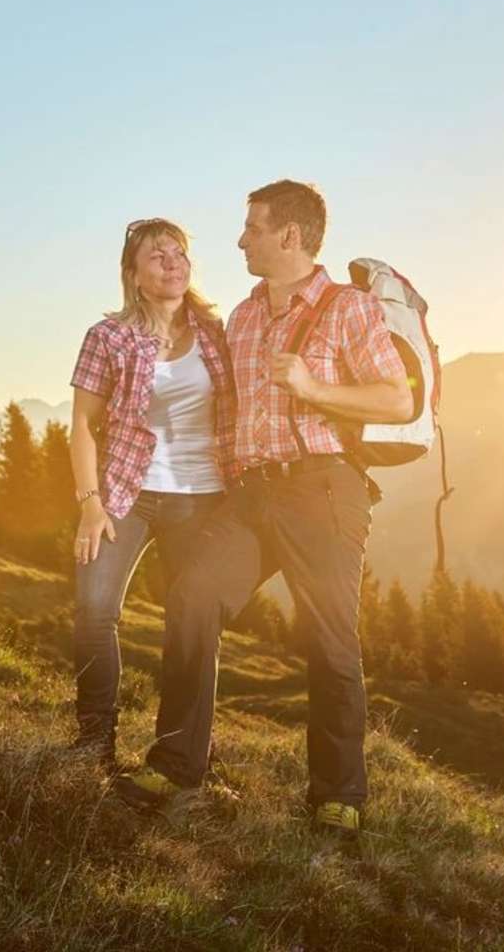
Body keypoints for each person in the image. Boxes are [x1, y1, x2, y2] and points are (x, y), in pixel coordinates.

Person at [115, 180, 412, 837]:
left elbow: (397, 402)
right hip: (250, 494)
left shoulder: (348, 309)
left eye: (252, 227)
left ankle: (338, 795)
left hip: (323, 489)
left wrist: (314, 386)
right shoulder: (245, 316)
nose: (241, 238)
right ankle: (176, 763)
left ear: (289, 235)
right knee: (192, 597)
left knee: (328, 639)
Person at [68, 218, 236, 768]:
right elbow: (83, 426)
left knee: (192, 625)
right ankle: (96, 740)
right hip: (125, 493)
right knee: (95, 611)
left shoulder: (218, 332)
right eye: (156, 255)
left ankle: (186, 751)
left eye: (179, 252)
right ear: (134, 274)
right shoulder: (109, 336)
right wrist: (90, 503)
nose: (172, 262)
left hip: (203, 496)